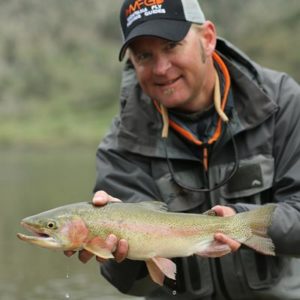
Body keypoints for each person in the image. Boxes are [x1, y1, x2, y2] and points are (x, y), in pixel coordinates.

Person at [66, 0, 300, 299]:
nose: (161, 68)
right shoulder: (121, 143)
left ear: (208, 38)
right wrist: (117, 246)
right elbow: (131, 285)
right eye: (144, 55)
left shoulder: (282, 103)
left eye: (172, 46)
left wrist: (241, 221)